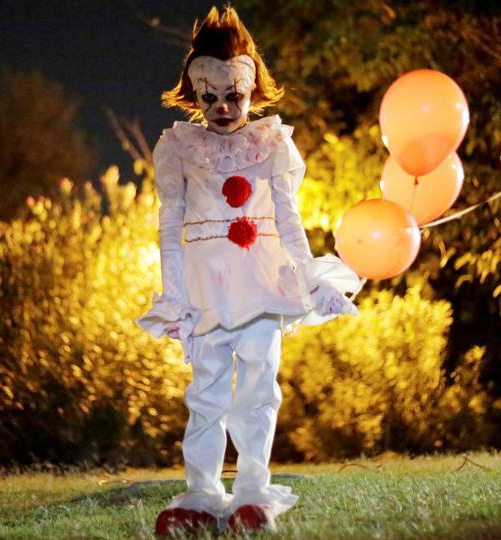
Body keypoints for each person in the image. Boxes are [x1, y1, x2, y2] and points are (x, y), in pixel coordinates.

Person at [135, 6, 362, 536]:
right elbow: (170, 224)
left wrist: (307, 273)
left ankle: (253, 489)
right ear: (194, 93)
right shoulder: (178, 147)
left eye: (232, 95)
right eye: (209, 96)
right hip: (206, 279)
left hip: (262, 275)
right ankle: (202, 490)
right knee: (207, 386)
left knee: (259, 381)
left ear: (251, 88)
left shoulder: (272, 142)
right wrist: (173, 296)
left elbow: (287, 216)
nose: (221, 108)